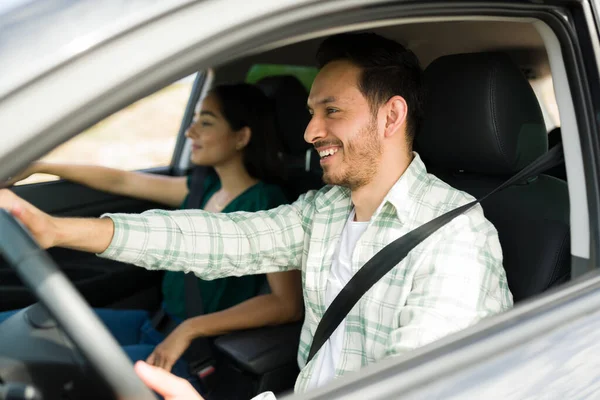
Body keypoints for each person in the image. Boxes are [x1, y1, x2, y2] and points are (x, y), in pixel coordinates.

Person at [0, 32, 513, 400]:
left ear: (391, 116)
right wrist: (58, 229)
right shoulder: (326, 210)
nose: (310, 132)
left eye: (332, 111)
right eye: (311, 112)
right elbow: (216, 239)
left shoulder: (455, 240)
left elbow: (417, 391)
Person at [0, 83, 303, 389]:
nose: (190, 132)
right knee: (27, 325)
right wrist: (41, 166)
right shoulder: (201, 188)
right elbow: (123, 181)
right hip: (157, 322)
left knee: (56, 375)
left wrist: (192, 328)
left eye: (206, 122)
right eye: (194, 119)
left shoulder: (267, 203)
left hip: (197, 351)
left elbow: (285, 303)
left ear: (241, 137)